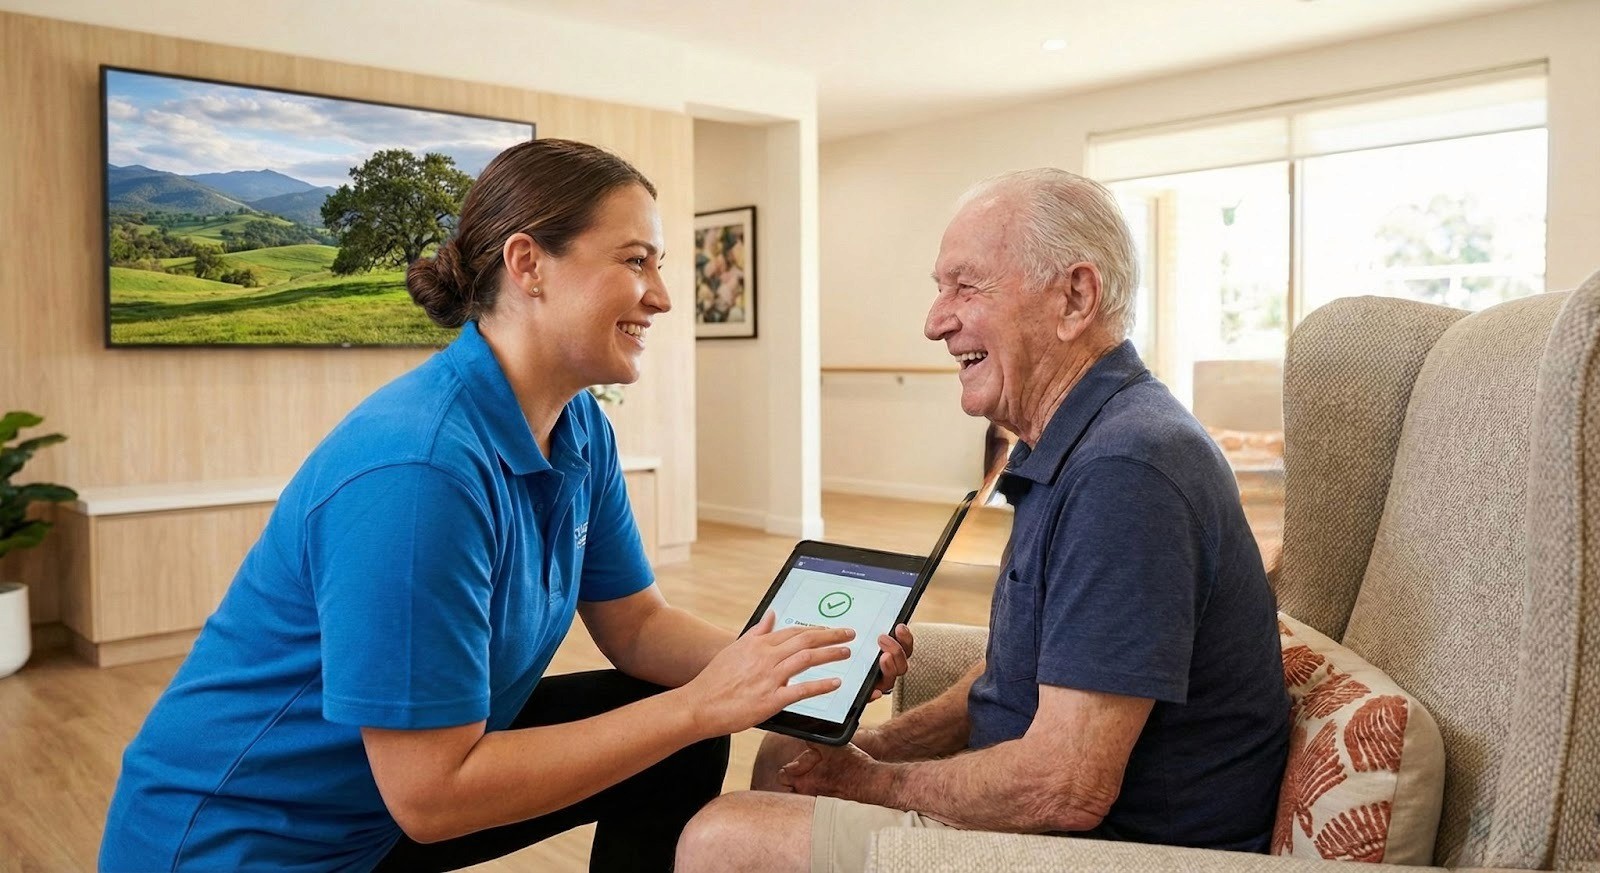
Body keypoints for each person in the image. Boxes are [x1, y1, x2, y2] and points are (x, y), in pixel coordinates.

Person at [99, 138, 913, 873]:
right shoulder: (419, 472)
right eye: (636, 261)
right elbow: (433, 798)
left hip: (376, 817)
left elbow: (635, 626)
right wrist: (699, 703)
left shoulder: (578, 425)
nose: (662, 296)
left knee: (670, 735)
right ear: (528, 265)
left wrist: (800, 669)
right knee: (676, 722)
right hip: (252, 844)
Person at [675, 168, 1290, 873]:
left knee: (717, 837)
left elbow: (1067, 784)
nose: (935, 320)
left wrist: (870, 781)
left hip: (1118, 848)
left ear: (1075, 297)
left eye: (965, 287)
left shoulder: (1127, 471)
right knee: (786, 751)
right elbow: (1012, 674)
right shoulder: (1074, 441)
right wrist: (877, 745)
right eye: (940, 288)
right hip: (1059, 812)